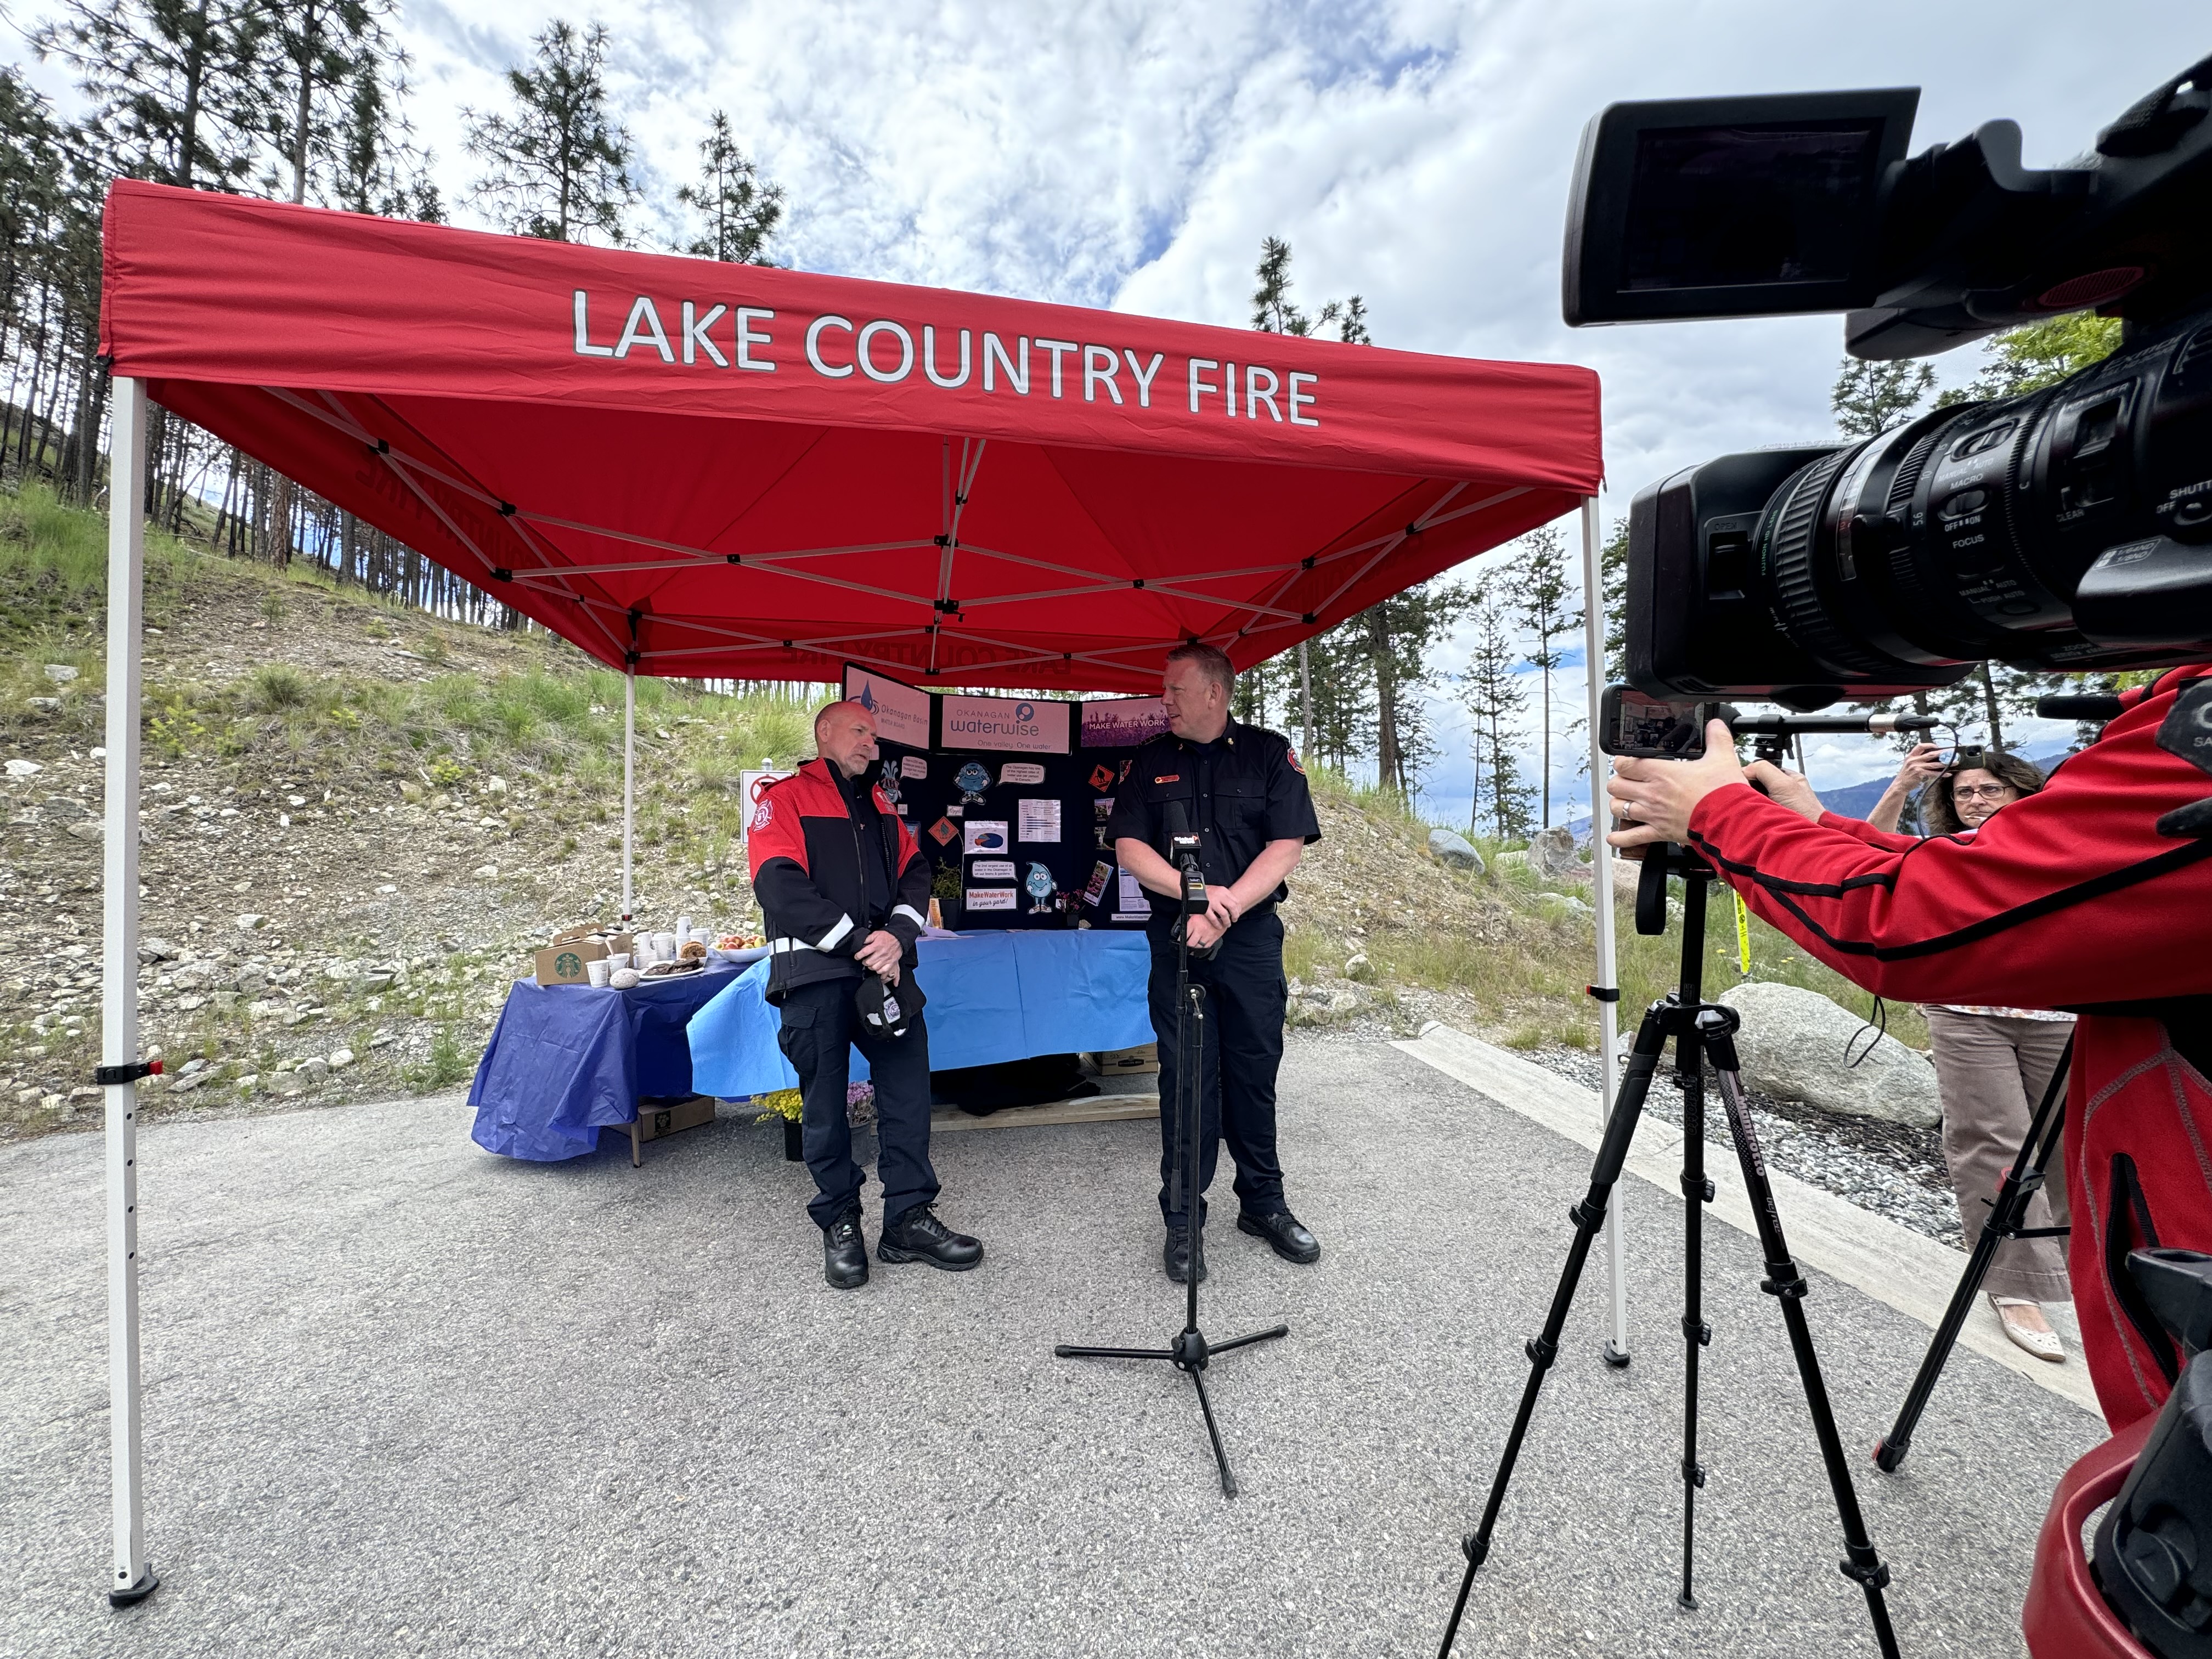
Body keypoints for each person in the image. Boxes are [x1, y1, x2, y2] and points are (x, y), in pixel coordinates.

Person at [1602, 663, 2212, 1436]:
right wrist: (1813, 827)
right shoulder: (2180, 722)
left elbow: (1911, 921)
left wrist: (1721, 815)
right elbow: (1969, 881)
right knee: (1993, 1138)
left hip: (2190, 1356)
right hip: (2180, 1328)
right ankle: (2019, 1288)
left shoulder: (2197, 734)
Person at [1759, 746, 2075, 1361]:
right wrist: (1903, 782)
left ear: (2019, 792)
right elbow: (1868, 847)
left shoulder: (2050, 845)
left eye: (1990, 791)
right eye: (1965, 794)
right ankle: (2015, 1285)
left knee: (2070, 1141)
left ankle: (2081, 1264)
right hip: (1964, 1009)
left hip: (2056, 1012)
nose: (1977, 802)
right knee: (1994, 1137)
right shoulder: (1940, 855)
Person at [1107, 640, 1323, 1284]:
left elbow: (1287, 847)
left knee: (1254, 1072)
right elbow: (1127, 848)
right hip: (1177, 938)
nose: (1163, 699)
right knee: (1187, 1079)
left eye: (1174, 688)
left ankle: (1263, 1203)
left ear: (1215, 693)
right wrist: (1195, 896)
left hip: (1250, 939)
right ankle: (1182, 1219)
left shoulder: (1267, 752)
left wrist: (1225, 909)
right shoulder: (1149, 763)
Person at [748, 701, 982, 1289]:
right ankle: (840, 1222)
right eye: (860, 732)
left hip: (884, 976)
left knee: (907, 1093)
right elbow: (779, 886)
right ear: (825, 731)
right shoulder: (784, 800)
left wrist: (898, 937)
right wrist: (861, 942)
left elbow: (916, 872)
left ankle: (907, 1219)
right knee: (824, 1109)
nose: (871, 744)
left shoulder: (880, 805)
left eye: (875, 736)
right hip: (814, 977)